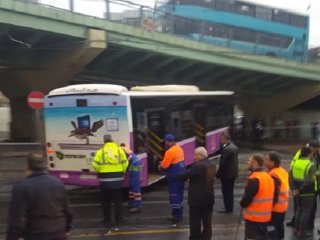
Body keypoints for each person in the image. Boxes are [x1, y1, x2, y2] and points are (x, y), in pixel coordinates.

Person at [6, 152, 73, 240]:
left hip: (36, 234)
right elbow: (68, 210)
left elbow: (18, 219)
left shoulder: (21, 187)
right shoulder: (58, 183)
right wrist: (67, 228)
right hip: (58, 232)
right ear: (45, 166)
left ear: (28, 167)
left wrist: (13, 237)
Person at [177, 147, 215, 240]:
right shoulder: (212, 165)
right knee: (207, 221)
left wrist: (175, 175)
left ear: (200, 155)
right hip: (209, 197)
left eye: (195, 154)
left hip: (197, 199)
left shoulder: (197, 166)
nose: (194, 157)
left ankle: (195, 237)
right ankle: (206, 237)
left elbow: (186, 175)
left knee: (195, 221)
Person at [92, 134, 128, 226]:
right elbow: (125, 163)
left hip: (105, 180)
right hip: (118, 178)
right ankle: (118, 219)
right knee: (117, 200)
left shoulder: (100, 152)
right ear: (112, 140)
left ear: (104, 142)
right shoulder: (119, 150)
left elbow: (95, 165)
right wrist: (122, 171)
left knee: (105, 201)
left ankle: (107, 219)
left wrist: (99, 171)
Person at [240, 154, 275, 240]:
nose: (247, 163)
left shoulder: (254, 179)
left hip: (253, 217)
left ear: (255, 163)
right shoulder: (268, 176)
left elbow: (247, 199)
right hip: (265, 216)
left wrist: (241, 202)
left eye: (249, 161)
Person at [290, 146, 316, 238]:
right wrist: (300, 189)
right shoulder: (310, 165)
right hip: (308, 192)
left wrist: (295, 189)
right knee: (306, 212)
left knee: (299, 210)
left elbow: (291, 177)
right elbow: (309, 181)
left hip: (297, 191)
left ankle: (296, 229)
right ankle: (302, 231)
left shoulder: (295, 163)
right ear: (309, 154)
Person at [158, 134, 186, 222]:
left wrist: (160, 166)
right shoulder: (179, 148)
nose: (165, 143)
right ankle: (180, 213)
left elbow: (165, 165)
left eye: (165, 142)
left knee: (174, 196)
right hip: (182, 175)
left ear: (167, 141)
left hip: (174, 177)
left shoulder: (169, 151)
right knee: (180, 195)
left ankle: (176, 215)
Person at [264, 152, 289, 240]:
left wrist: (268, 207)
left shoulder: (273, 175)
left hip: (274, 208)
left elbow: (274, 193)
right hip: (282, 206)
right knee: (279, 228)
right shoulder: (282, 171)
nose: (265, 162)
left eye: (267, 160)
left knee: (272, 230)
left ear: (273, 162)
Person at [216, 133, 238, 213]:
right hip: (232, 174)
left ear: (226, 139)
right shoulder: (234, 147)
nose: (220, 141)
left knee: (226, 192)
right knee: (230, 192)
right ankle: (230, 207)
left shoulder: (227, 149)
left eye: (222, 139)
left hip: (226, 175)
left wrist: (218, 174)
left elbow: (223, 164)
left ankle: (228, 208)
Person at [120, 143, 142, 213]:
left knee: (135, 184)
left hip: (134, 164)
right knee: (132, 183)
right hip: (134, 163)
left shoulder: (120, 150)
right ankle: (131, 202)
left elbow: (127, 160)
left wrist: (124, 170)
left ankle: (137, 205)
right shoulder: (123, 148)